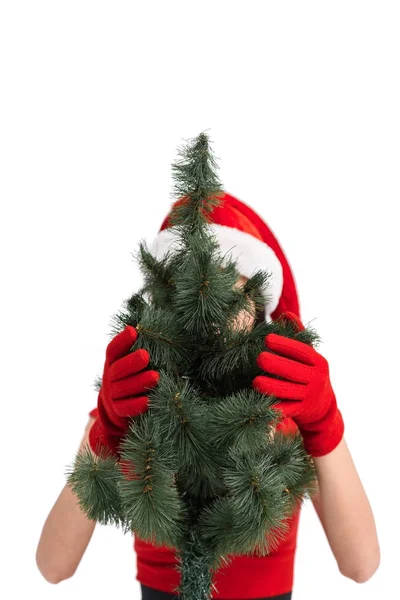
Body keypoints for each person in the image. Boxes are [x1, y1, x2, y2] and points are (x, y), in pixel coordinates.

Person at [36, 192, 380, 599]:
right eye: (189, 289)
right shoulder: (132, 405)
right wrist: (106, 428)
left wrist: (323, 422)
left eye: (226, 287)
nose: (208, 311)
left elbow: (361, 564)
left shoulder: (288, 410)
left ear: (257, 307)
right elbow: (53, 566)